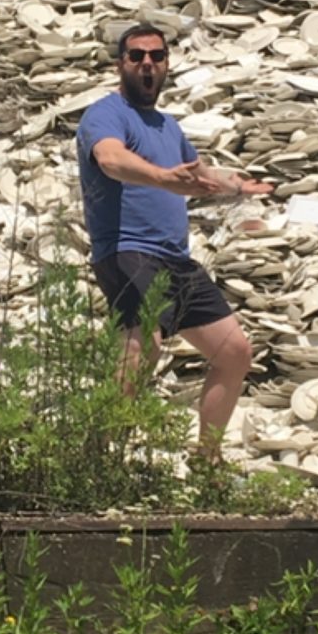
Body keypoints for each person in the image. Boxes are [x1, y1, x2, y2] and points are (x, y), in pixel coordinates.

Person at [76, 24, 273, 459]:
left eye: (157, 56)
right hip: (127, 250)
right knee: (144, 340)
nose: (148, 64)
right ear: (121, 65)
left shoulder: (167, 126)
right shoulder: (105, 114)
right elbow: (110, 159)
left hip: (176, 259)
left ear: (167, 64)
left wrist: (237, 185)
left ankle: (207, 460)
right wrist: (163, 178)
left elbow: (196, 176)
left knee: (235, 352)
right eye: (137, 56)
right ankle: (100, 455)